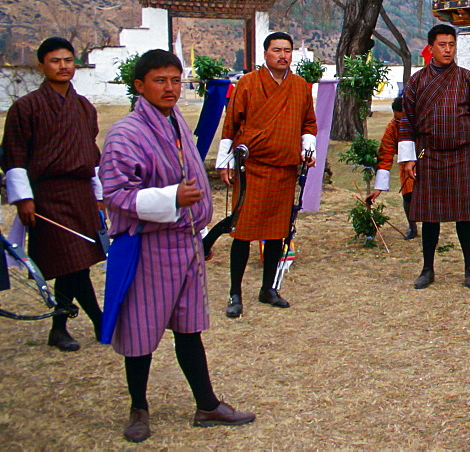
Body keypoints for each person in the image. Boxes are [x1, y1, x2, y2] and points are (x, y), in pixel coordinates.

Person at [100, 49, 254, 443]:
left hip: (185, 244)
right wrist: (171, 200)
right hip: (149, 246)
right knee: (140, 330)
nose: (170, 88)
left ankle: (207, 404)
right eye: (160, 80)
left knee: (188, 328)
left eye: (175, 80)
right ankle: (138, 407)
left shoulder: (177, 123)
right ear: (139, 86)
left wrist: (200, 232)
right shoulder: (125, 134)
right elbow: (116, 194)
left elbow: (193, 183)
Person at [1, 37, 106, 351]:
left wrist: (98, 196)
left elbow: (92, 155)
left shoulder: (85, 107)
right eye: (55, 61)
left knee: (74, 264)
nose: (63, 66)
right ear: (41, 66)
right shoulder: (25, 107)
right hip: (47, 194)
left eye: (68, 60)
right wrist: (24, 199)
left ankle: (59, 328)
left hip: (80, 193)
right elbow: (14, 156)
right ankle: (101, 321)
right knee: (70, 261)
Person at [216, 32, 317, 317]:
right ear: (265, 54)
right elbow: (231, 124)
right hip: (252, 169)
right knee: (242, 232)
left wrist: (307, 148)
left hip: (285, 169)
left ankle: (268, 288)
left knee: (277, 233)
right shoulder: (247, 84)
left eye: (287, 50)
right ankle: (235, 293)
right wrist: (226, 162)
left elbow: (309, 123)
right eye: (277, 50)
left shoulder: (300, 86)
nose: (283, 55)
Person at [399, 24, 470, 289]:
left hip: (461, 154)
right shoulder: (417, 81)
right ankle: (427, 269)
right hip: (429, 153)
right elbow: (407, 122)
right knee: (429, 217)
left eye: (451, 44)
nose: (448, 49)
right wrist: (408, 158)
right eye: (442, 45)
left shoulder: (467, 79)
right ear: (430, 48)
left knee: (464, 216)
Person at [365, 96, 418, 240]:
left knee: (429, 197)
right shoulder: (392, 127)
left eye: (402, 120)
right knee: (408, 196)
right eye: (397, 119)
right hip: (405, 164)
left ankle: (430, 228)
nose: (399, 123)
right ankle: (412, 227)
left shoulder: (422, 123)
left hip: (426, 162)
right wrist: (379, 188)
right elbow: (385, 154)